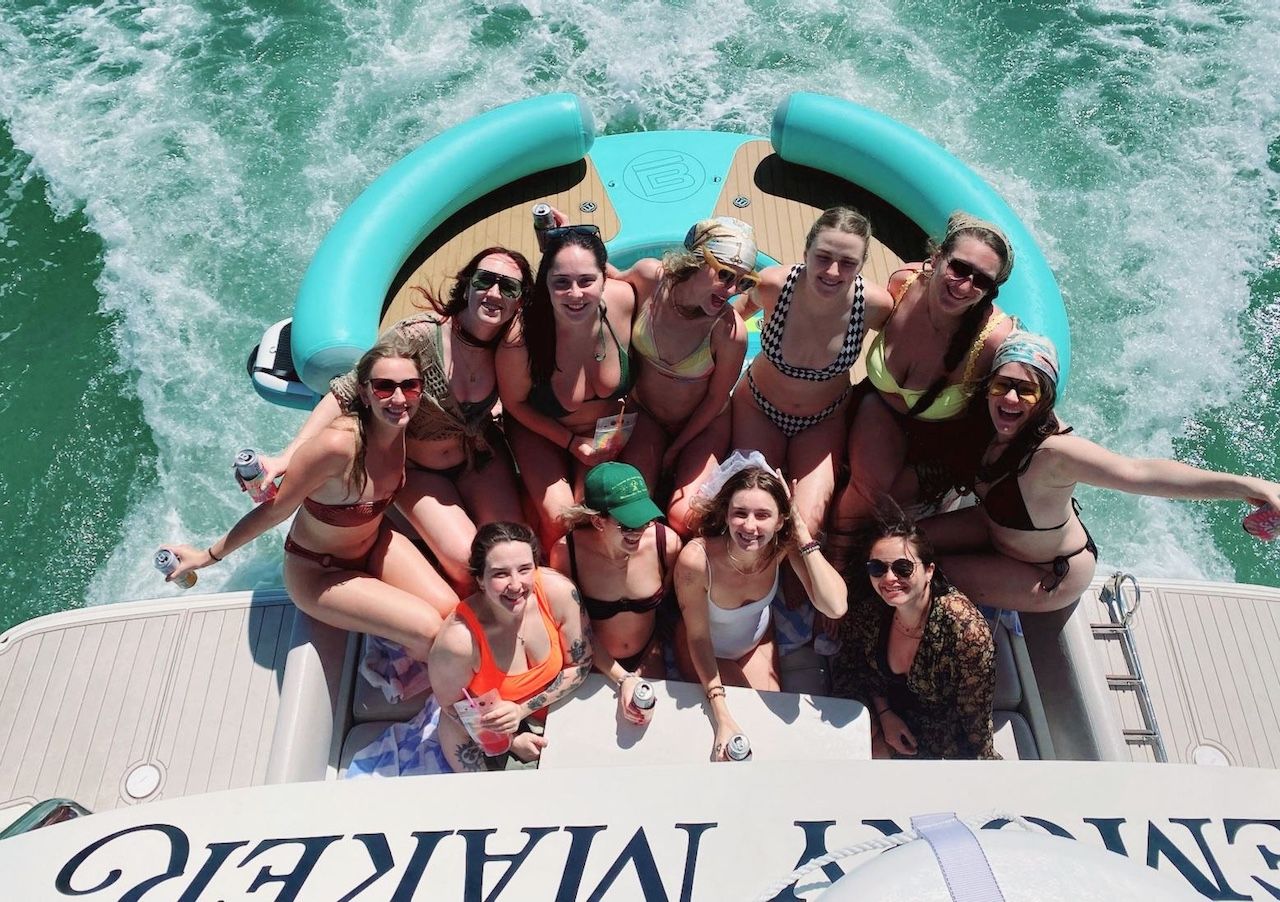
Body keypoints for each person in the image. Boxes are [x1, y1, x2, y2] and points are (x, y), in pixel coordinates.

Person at [921, 330, 1280, 612]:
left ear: (1044, 398)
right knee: (898, 543)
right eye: (1002, 385)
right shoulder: (985, 423)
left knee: (917, 573)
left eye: (1026, 391)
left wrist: (1248, 484)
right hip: (992, 528)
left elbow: (1138, 473)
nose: (1011, 399)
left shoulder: (1054, 454)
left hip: (1048, 571)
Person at [161, 335, 456, 661]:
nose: (399, 397)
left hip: (374, 545)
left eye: (410, 386)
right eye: (384, 387)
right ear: (365, 392)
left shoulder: (402, 426)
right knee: (429, 628)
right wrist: (206, 556)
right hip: (321, 573)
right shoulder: (336, 447)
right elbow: (274, 511)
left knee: (451, 610)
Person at [262, 247, 533, 593]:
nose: (494, 293)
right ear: (467, 286)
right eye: (485, 281)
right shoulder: (417, 337)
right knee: (472, 566)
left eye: (508, 287)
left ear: (519, 301)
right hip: (421, 470)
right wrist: (288, 455)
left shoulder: (510, 346)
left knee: (515, 552)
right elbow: (345, 392)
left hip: (478, 456)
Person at [829, 211, 1016, 566]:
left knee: (877, 503)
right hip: (875, 407)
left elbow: (1018, 399)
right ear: (937, 257)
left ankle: (836, 563)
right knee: (857, 488)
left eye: (981, 281)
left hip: (936, 444)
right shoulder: (902, 283)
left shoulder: (992, 340)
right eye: (959, 268)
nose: (964, 285)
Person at [733, 206, 895, 534]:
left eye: (848, 262)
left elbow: (908, 344)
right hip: (758, 409)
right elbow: (735, 315)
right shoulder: (773, 285)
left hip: (822, 422)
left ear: (862, 265)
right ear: (806, 251)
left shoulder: (874, 306)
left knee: (805, 526)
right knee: (751, 511)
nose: (833, 272)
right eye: (823, 257)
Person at [673, 458, 847, 760]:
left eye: (763, 515)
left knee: (769, 730)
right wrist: (720, 711)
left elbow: (834, 606)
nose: (750, 526)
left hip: (756, 642)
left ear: (780, 521)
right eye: (740, 513)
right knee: (740, 726)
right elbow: (698, 638)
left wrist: (802, 533)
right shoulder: (696, 560)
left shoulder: (779, 547)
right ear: (726, 515)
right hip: (703, 648)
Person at [496, 225, 638, 548]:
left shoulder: (623, 301)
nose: (575, 294)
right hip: (543, 431)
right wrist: (572, 442)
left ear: (605, 278)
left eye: (587, 281)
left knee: (613, 513)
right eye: (561, 283)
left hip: (605, 433)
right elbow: (514, 405)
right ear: (545, 284)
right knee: (563, 521)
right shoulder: (522, 337)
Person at [615, 218, 750, 534]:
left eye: (743, 282)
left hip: (702, 427)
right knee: (630, 510)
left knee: (685, 517)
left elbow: (717, 400)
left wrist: (676, 449)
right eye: (726, 274)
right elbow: (603, 281)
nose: (731, 290)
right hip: (647, 416)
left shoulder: (730, 332)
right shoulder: (651, 278)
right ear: (697, 259)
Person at [831, 509, 998, 759]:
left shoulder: (966, 633)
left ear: (929, 571)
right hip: (876, 703)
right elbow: (855, 667)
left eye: (903, 567)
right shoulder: (870, 608)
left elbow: (975, 717)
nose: (888, 578)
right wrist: (884, 716)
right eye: (877, 567)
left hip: (934, 728)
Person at [428, 522, 593, 771]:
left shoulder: (558, 592)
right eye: (500, 574)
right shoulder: (459, 641)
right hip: (482, 730)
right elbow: (452, 707)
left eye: (525, 569)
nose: (516, 585)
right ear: (480, 580)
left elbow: (581, 664)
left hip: (551, 711)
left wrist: (521, 710)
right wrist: (511, 741)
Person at [549, 462, 682, 724]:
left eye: (645, 520)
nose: (640, 531)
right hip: (592, 662)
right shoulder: (567, 553)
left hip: (647, 653)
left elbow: (668, 601)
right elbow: (575, 630)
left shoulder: (665, 544)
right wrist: (623, 677)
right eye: (628, 525)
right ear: (598, 521)